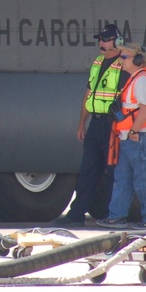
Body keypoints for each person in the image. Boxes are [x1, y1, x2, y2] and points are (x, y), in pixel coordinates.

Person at [53, 23, 125, 227]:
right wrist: (81, 123)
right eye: (100, 39)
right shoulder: (97, 62)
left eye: (106, 39)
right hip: (96, 123)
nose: (101, 43)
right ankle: (76, 214)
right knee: (88, 170)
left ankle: (113, 214)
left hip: (113, 125)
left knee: (112, 172)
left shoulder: (124, 64)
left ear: (117, 41)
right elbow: (89, 93)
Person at [96, 43, 146, 230]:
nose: (120, 60)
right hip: (129, 137)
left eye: (124, 57)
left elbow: (145, 109)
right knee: (122, 178)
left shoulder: (142, 80)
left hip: (139, 137)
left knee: (143, 180)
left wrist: (133, 131)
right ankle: (116, 217)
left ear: (137, 59)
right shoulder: (134, 79)